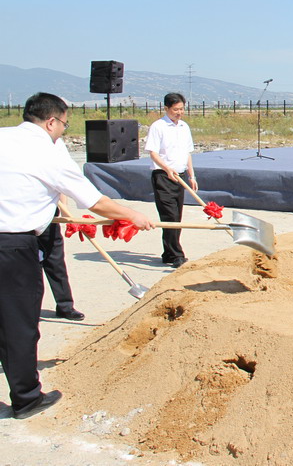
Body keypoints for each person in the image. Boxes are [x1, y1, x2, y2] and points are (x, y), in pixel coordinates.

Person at [0, 93, 154, 420]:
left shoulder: (3, 137)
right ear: (51, 121)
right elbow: (94, 202)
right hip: (11, 247)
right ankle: (27, 398)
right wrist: (133, 215)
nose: (62, 131)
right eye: (64, 124)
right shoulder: (48, 153)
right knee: (18, 324)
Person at [145, 93, 196, 268]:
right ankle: (177, 255)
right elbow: (153, 152)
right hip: (163, 176)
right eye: (175, 109)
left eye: (181, 109)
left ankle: (168, 253)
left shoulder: (184, 127)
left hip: (180, 176)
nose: (179, 112)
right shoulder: (158, 126)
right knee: (170, 216)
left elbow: (187, 153)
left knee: (176, 217)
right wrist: (167, 169)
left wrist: (191, 175)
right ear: (166, 108)